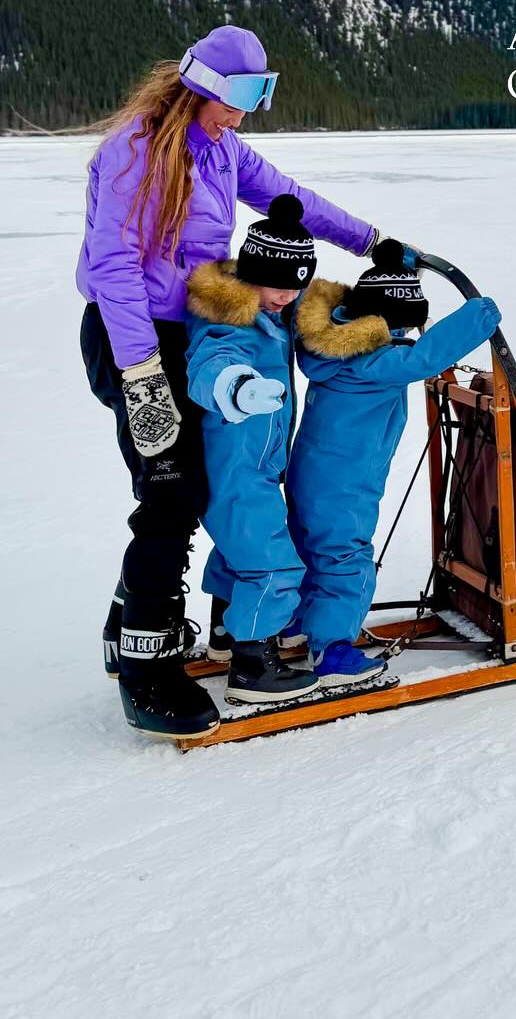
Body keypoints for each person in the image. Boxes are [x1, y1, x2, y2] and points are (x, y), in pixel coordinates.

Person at [77, 26, 393, 739]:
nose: (246, 112)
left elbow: (287, 197)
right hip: (132, 336)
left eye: (261, 96)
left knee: (191, 480)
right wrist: (142, 375)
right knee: (172, 489)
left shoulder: (220, 148)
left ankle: (125, 615)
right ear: (202, 85)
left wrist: (370, 240)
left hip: (189, 332)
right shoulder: (138, 149)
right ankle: (145, 665)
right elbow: (114, 270)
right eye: (240, 96)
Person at [287, 243, 500, 688]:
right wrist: (479, 315)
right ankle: (332, 650)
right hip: (348, 484)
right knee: (346, 557)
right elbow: (425, 357)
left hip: (308, 476)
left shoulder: (331, 350)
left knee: (310, 548)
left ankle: (293, 627)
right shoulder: (377, 363)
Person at [184, 196, 325, 708]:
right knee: (271, 564)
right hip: (235, 468)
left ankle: (225, 632)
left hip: (260, 465)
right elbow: (211, 358)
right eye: (278, 284)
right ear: (251, 273)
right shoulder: (230, 315)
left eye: (296, 284)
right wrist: (235, 387)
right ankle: (253, 663)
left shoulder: (276, 311)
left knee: (239, 551)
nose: (286, 295)